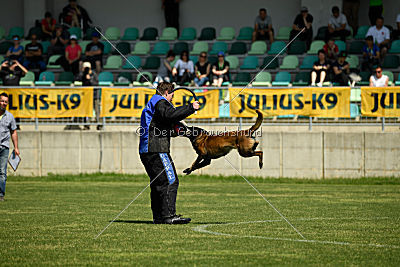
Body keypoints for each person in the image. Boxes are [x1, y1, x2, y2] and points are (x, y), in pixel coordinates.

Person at [139, 82, 199, 224]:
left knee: (158, 184)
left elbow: (162, 125)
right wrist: (191, 107)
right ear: (166, 92)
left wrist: (181, 131)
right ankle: (169, 216)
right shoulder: (160, 102)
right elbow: (169, 114)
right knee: (170, 180)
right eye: (172, 94)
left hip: (147, 150)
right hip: (156, 149)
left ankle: (159, 217)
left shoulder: (152, 103)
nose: (173, 98)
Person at [0, 93, 20, 202]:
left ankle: (1, 195)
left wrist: (16, 147)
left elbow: (13, 132)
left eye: (6, 102)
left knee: (2, 172)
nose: (3, 103)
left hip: (4, 147)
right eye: (2, 101)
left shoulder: (10, 116)